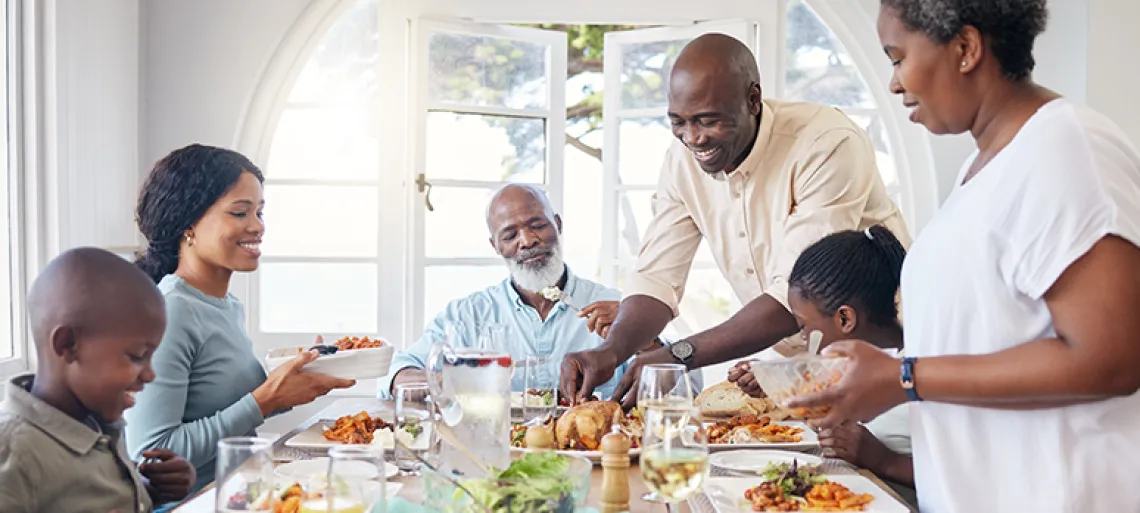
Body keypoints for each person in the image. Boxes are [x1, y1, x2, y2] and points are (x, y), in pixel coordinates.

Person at [787, 2, 1140, 512]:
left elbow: (1111, 357)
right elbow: (993, 337)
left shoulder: (1066, 149)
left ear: (966, 49)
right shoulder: (985, 166)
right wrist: (879, 367)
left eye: (897, 58)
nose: (894, 84)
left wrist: (903, 379)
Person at [560, 33, 910, 406]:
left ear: (753, 99)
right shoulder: (682, 161)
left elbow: (796, 293)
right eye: (678, 122)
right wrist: (612, 352)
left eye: (708, 121)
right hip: (798, 366)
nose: (693, 138)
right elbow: (657, 276)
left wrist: (676, 355)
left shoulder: (826, 143)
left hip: (886, 356)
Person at [126, 144, 355, 496]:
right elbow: (151, 455)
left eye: (260, 213)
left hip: (240, 493)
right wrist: (265, 400)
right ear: (187, 223)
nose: (257, 227)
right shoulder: (171, 311)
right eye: (239, 213)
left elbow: (226, 406)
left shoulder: (225, 305)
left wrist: (294, 380)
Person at [382, 184, 692, 399]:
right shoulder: (466, 316)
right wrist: (451, 381)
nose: (527, 241)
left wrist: (641, 338)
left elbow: (685, 388)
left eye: (537, 225)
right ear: (495, 246)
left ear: (557, 225)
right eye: (510, 234)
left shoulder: (617, 307)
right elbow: (398, 374)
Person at [0, 247, 196, 513]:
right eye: (137, 356)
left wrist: (153, 491)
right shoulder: (14, 452)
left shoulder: (97, 421)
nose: (150, 374)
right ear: (67, 344)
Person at [780, 226, 913, 495]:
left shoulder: (919, 378)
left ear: (845, 319)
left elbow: (971, 477)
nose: (804, 339)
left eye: (804, 327)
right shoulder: (846, 374)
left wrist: (884, 460)